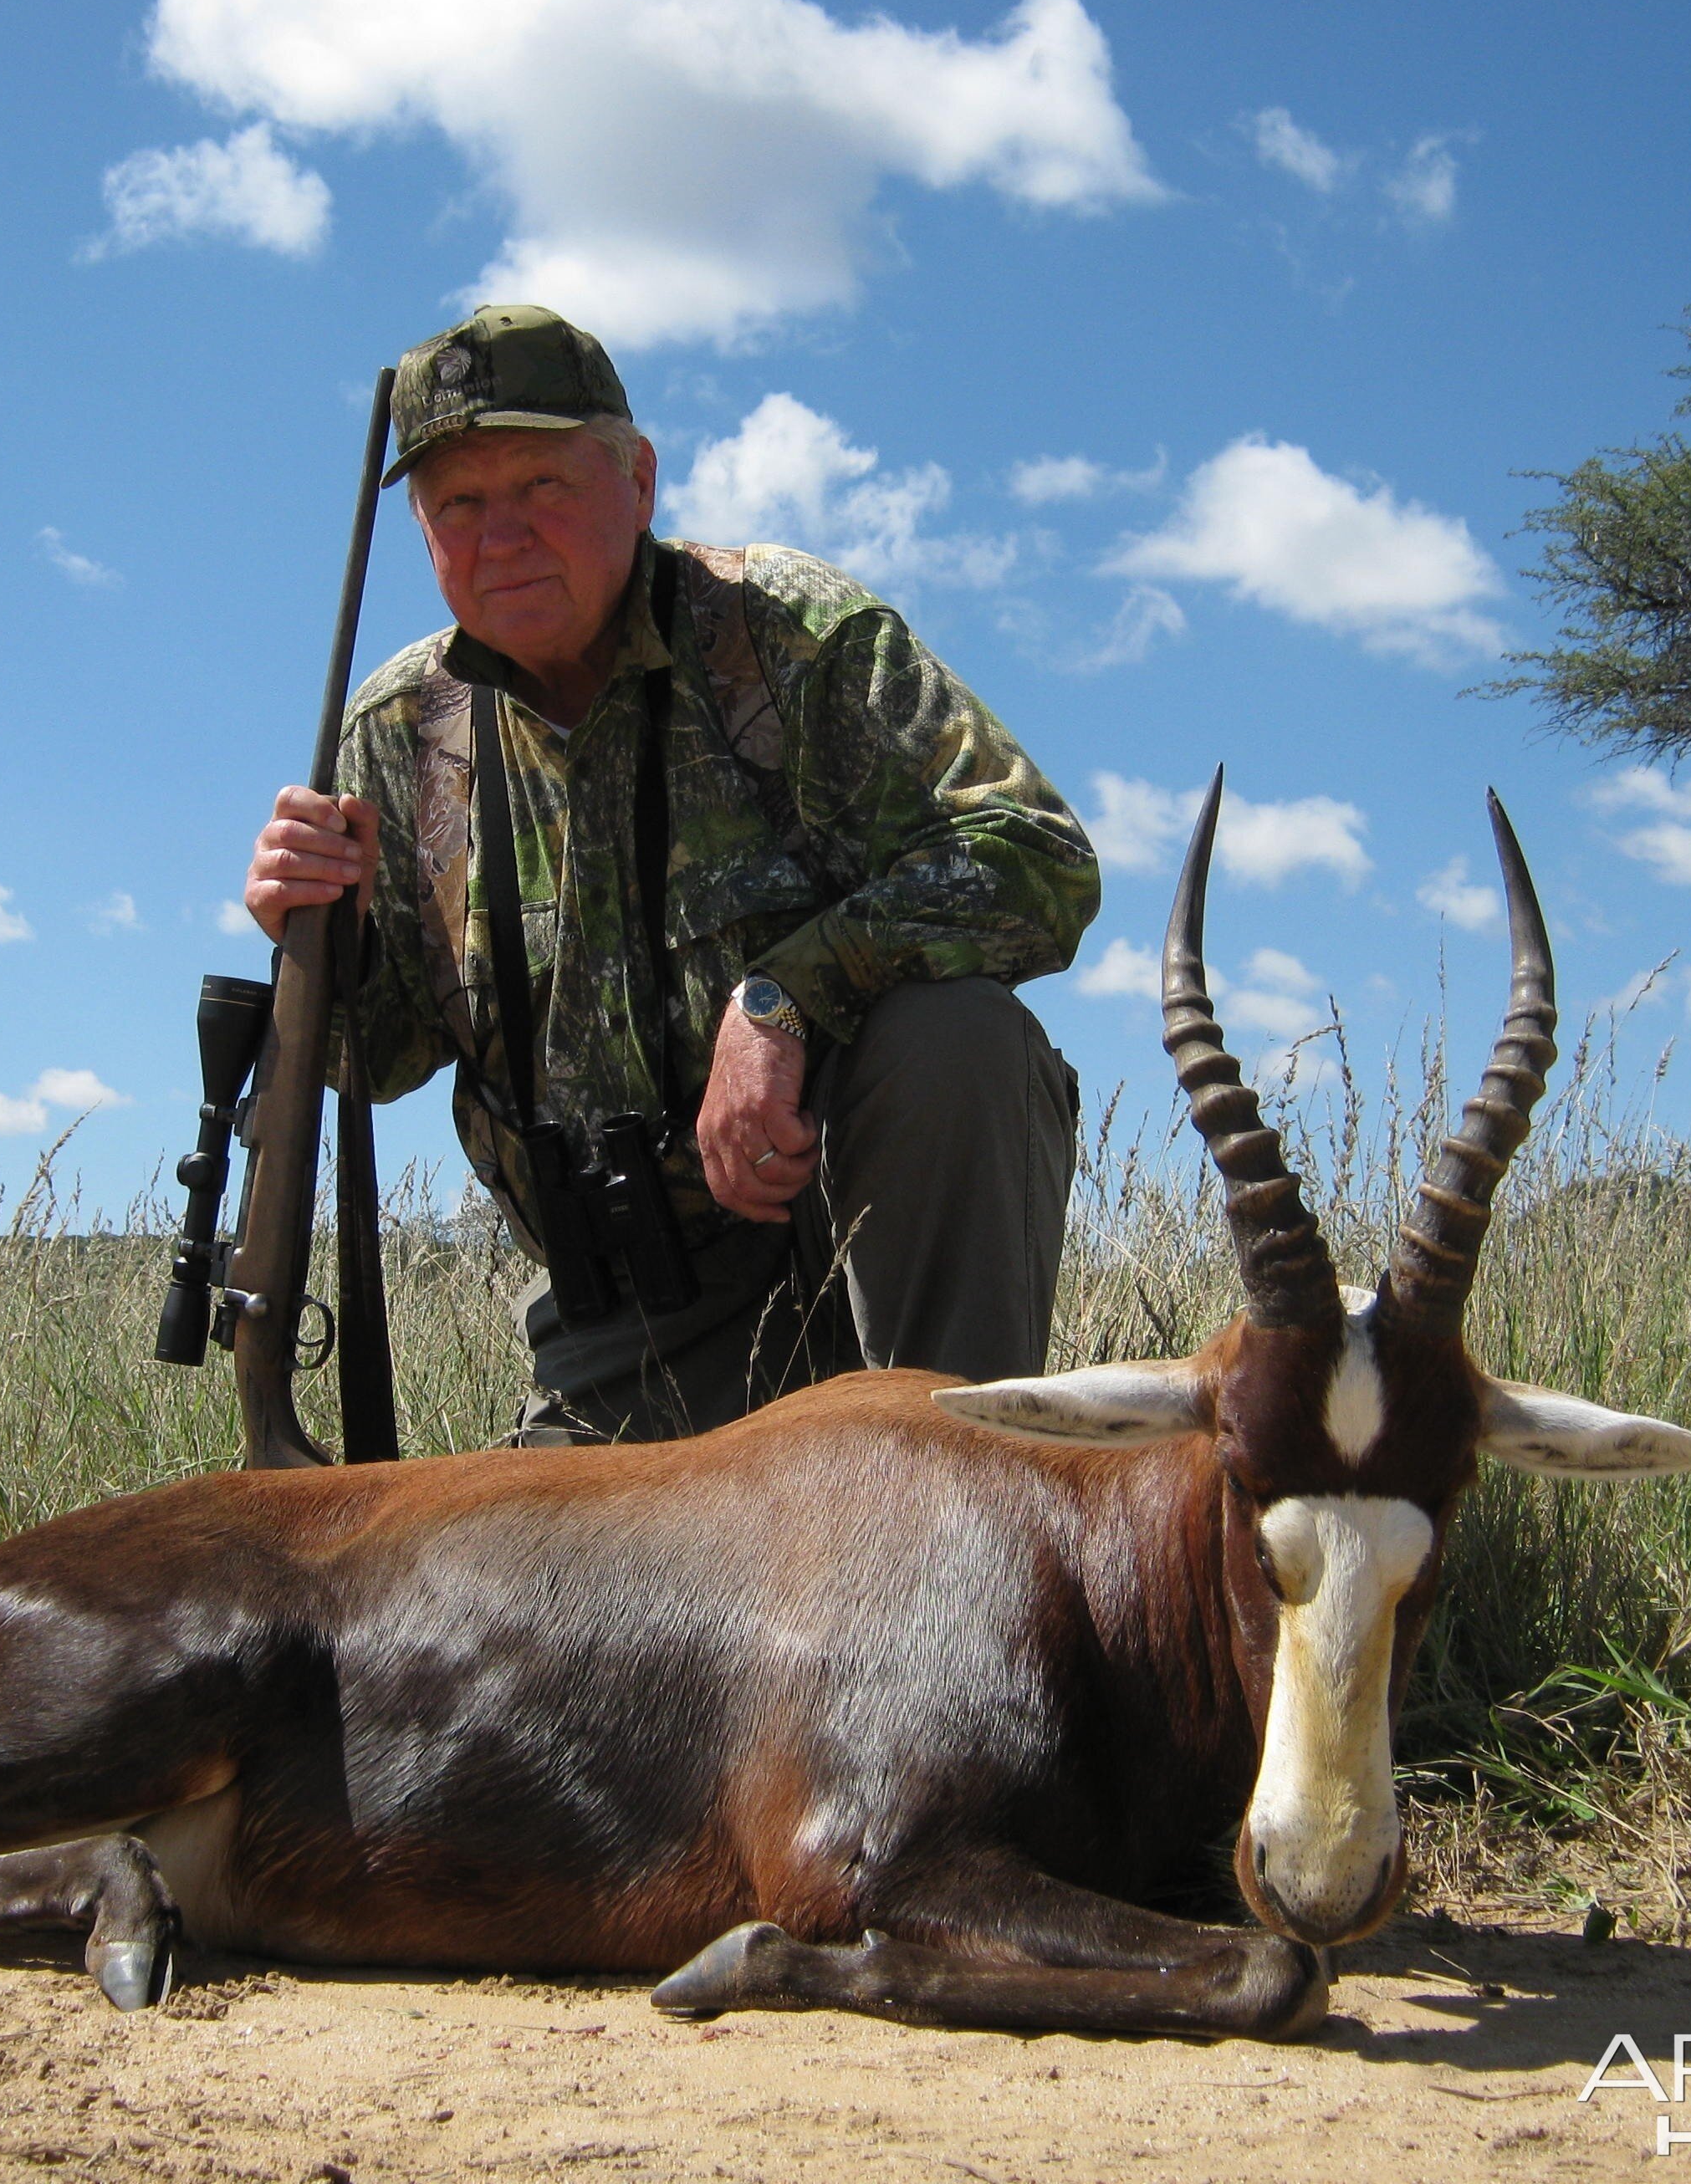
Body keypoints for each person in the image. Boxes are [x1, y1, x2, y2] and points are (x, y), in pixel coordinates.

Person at [246, 304, 1097, 1441]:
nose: (502, 535)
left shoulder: (784, 630)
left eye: (545, 485)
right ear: (420, 528)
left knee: (961, 1038)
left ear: (636, 481)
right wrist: (316, 942)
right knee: (526, 1612)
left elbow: (1035, 856)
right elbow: (381, 1055)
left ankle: (962, 1486)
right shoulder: (401, 735)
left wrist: (785, 996)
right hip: (627, 1323)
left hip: (850, 1256)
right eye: (459, 503)